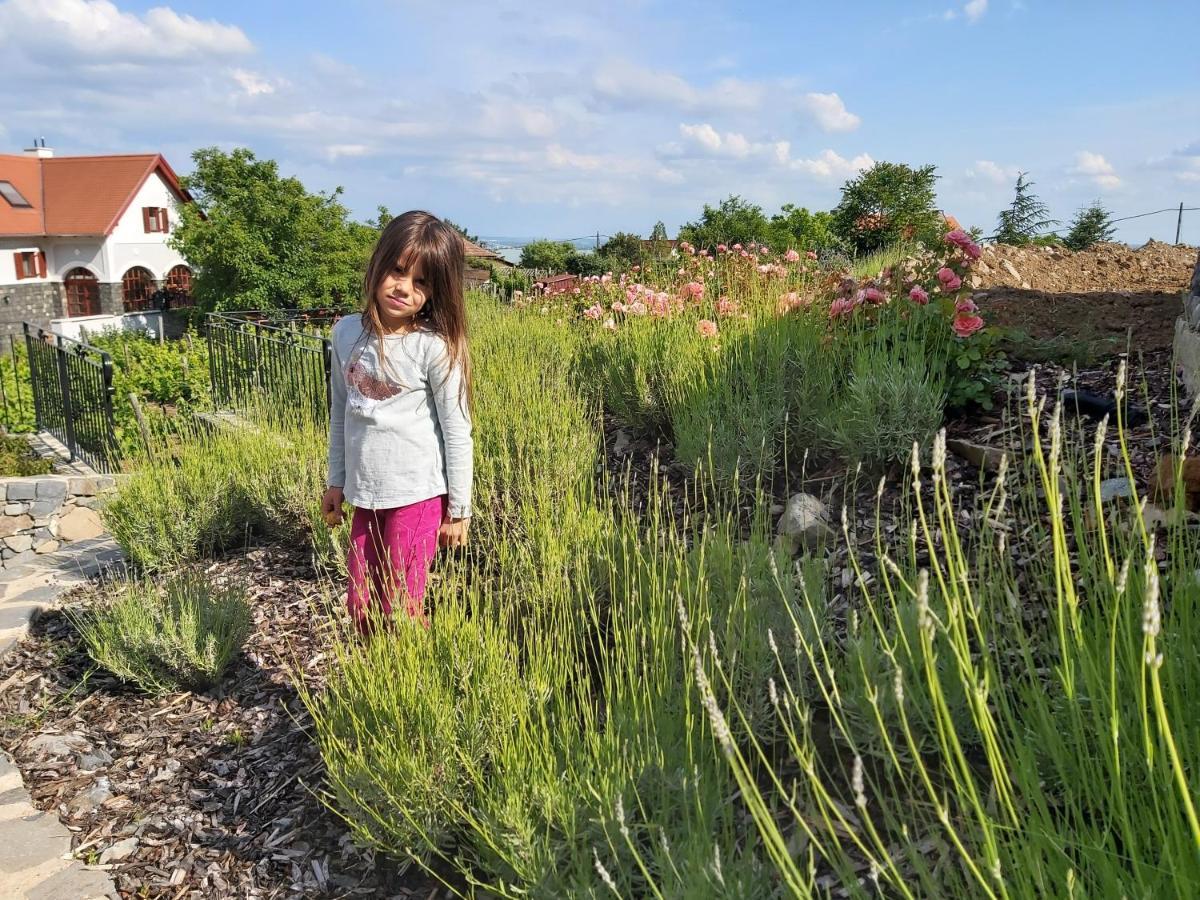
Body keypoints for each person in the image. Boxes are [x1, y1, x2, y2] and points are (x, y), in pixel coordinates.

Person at [322, 211, 473, 631]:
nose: (404, 287)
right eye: (398, 271)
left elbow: (457, 429)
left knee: (402, 605)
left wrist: (459, 509)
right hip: (364, 495)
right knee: (361, 605)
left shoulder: (434, 347)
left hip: (417, 496)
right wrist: (337, 480)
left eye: (421, 281)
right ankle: (378, 680)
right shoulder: (346, 333)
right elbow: (341, 412)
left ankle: (414, 685)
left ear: (435, 291)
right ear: (379, 264)